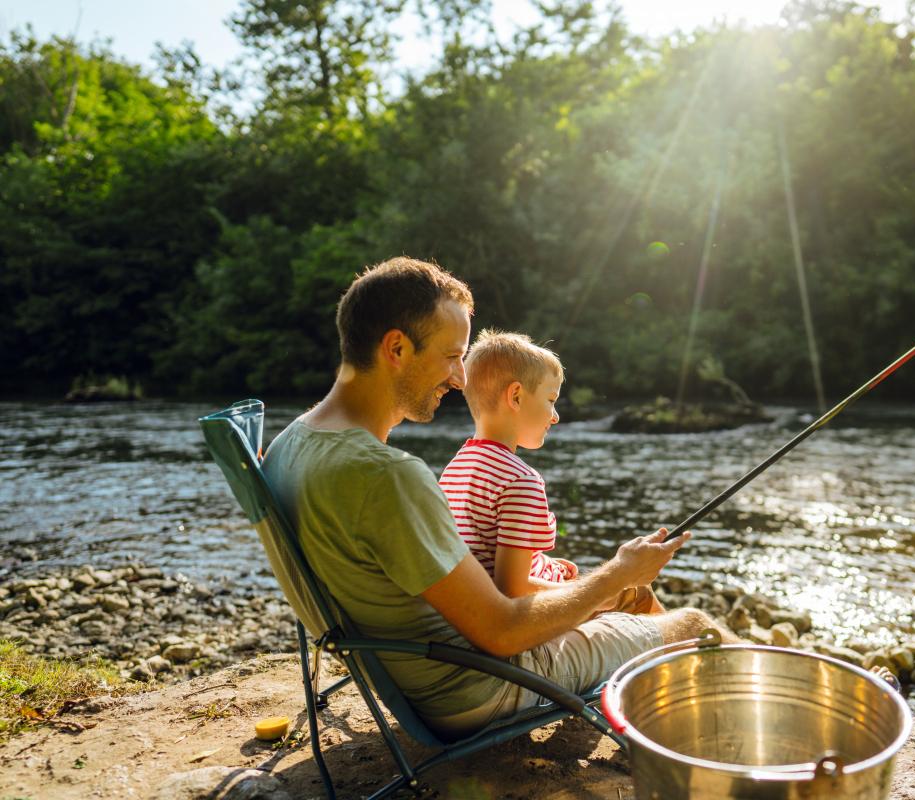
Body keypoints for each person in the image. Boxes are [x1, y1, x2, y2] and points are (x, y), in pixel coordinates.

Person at [262, 257, 732, 738]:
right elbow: (504, 630)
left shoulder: (289, 445)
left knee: (621, 598)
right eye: (451, 356)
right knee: (693, 624)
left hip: (411, 676)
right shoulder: (386, 476)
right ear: (397, 348)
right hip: (476, 687)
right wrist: (617, 573)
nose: (460, 379)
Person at [439, 329, 663, 614]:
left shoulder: (457, 466)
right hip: (518, 621)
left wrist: (544, 565)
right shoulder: (520, 481)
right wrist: (591, 591)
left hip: (471, 609)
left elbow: (486, 555)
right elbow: (511, 588)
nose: (555, 416)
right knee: (638, 594)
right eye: (551, 400)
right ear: (516, 396)